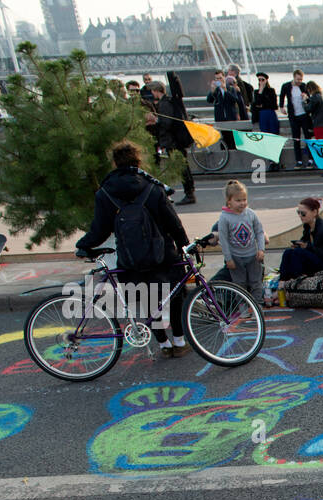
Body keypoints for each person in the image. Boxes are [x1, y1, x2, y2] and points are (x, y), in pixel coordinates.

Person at [75, 140, 191, 356]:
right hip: (162, 254)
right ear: (138, 160)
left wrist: (83, 245)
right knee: (175, 295)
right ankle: (180, 342)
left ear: (115, 163)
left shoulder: (105, 193)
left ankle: (164, 345)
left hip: (131, 258)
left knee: (147, 300)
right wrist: (184, 244)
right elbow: (172, 222)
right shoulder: (152, 187)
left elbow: (99, 230)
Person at [143, 80, 195, 205]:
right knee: (182, 167)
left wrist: (156, 120)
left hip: (173, 141)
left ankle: (189, 193)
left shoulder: (164, 104)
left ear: (156, 91)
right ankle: (189, 192)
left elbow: (167, 123)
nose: (152, 94)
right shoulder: (168, 101)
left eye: (152, 91)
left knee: (181, 167)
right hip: (175, 140)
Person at [276, 196, 323, 283]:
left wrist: (308, 247)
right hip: (316, 260)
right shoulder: (308, 226)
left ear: (314, 212)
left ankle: (296, 281)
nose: (300, 216)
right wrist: (299, 245)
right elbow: (305, 243)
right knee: (288, 252)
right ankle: (282, 282)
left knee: (298, 253)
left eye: (303, 213)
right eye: (298, 213)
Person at [217, 180, 266, 301]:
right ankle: (243, 308)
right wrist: (228, 258)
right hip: (236, 258)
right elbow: (223, 240)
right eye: (238, 200)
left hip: (252, 255)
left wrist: (261, 249)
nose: (242, 203)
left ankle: (257, 305)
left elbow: (259, 232)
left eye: (244, 200)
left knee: (256, 282)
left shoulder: (250, 214)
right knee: (240, 284)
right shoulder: (224, 217)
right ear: (229, 201)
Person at [280, 69, 313, 169]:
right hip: (294, 116)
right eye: (298, 79)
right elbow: (282, 97)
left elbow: (309, 99)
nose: (299, 81)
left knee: (308, 137)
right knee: (296, 138)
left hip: (304, 115)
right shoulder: (286, 86)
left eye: (301, 79)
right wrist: (281, 107)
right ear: (294, 77)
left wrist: (306, 97)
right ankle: (298, 160)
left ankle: (310, 159)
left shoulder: (303, 86)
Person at [304, 81, 323, 174]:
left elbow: (308, 109)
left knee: (322, 147)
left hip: (319, 125)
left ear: (310, 89)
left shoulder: (315, 97)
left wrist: (304, 101)